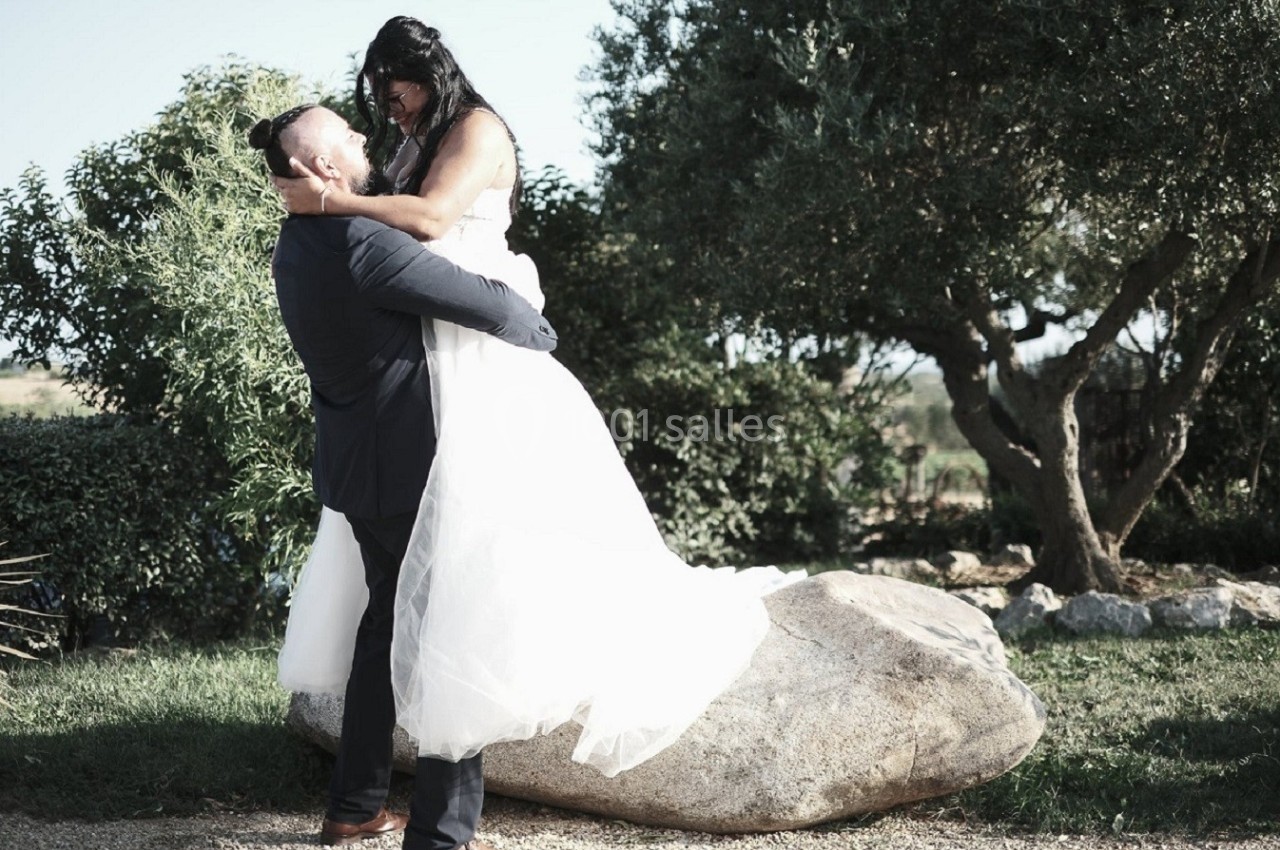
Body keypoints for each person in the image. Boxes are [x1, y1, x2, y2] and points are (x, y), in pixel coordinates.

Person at [275, 7, 802, 826]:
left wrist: (329, 202)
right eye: (378, 102)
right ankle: (426, 828)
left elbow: (432, 222)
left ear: (429, 75)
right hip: (432, 363)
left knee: (442, 597)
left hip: (478, 350)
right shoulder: (406, 150)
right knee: (438, 606)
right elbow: (396, 239)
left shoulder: (476, 130)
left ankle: (364, 804)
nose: (390, 113)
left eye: (397, 94)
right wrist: (339, 200)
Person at [250, 103, 557, 850]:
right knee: (452, 636)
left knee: (385, 630)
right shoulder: (363, 242)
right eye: (347, 135)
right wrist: (535, 318)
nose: (364, 136)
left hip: (357, 471)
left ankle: (354, 805)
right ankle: (442, 835)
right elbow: (504, 314)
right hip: (416, 476)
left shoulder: (297, 243)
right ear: (324, 168)